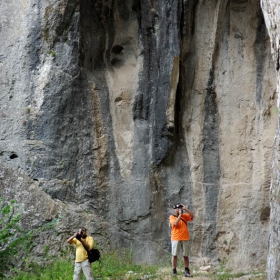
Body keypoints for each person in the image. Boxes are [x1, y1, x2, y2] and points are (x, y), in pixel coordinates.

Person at [169, 203, 195, 277]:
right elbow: (175, 224)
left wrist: (186, 209)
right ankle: (174, 270)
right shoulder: (172, 217)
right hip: (175, 238)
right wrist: (179, 215)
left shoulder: (185, 216)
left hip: (185, 238)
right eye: (177, 208)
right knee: (174, 255)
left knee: (185, 255)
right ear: (174, 210)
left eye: (179, 208)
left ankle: (186, 270)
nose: (178, 210)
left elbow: (192, 216)